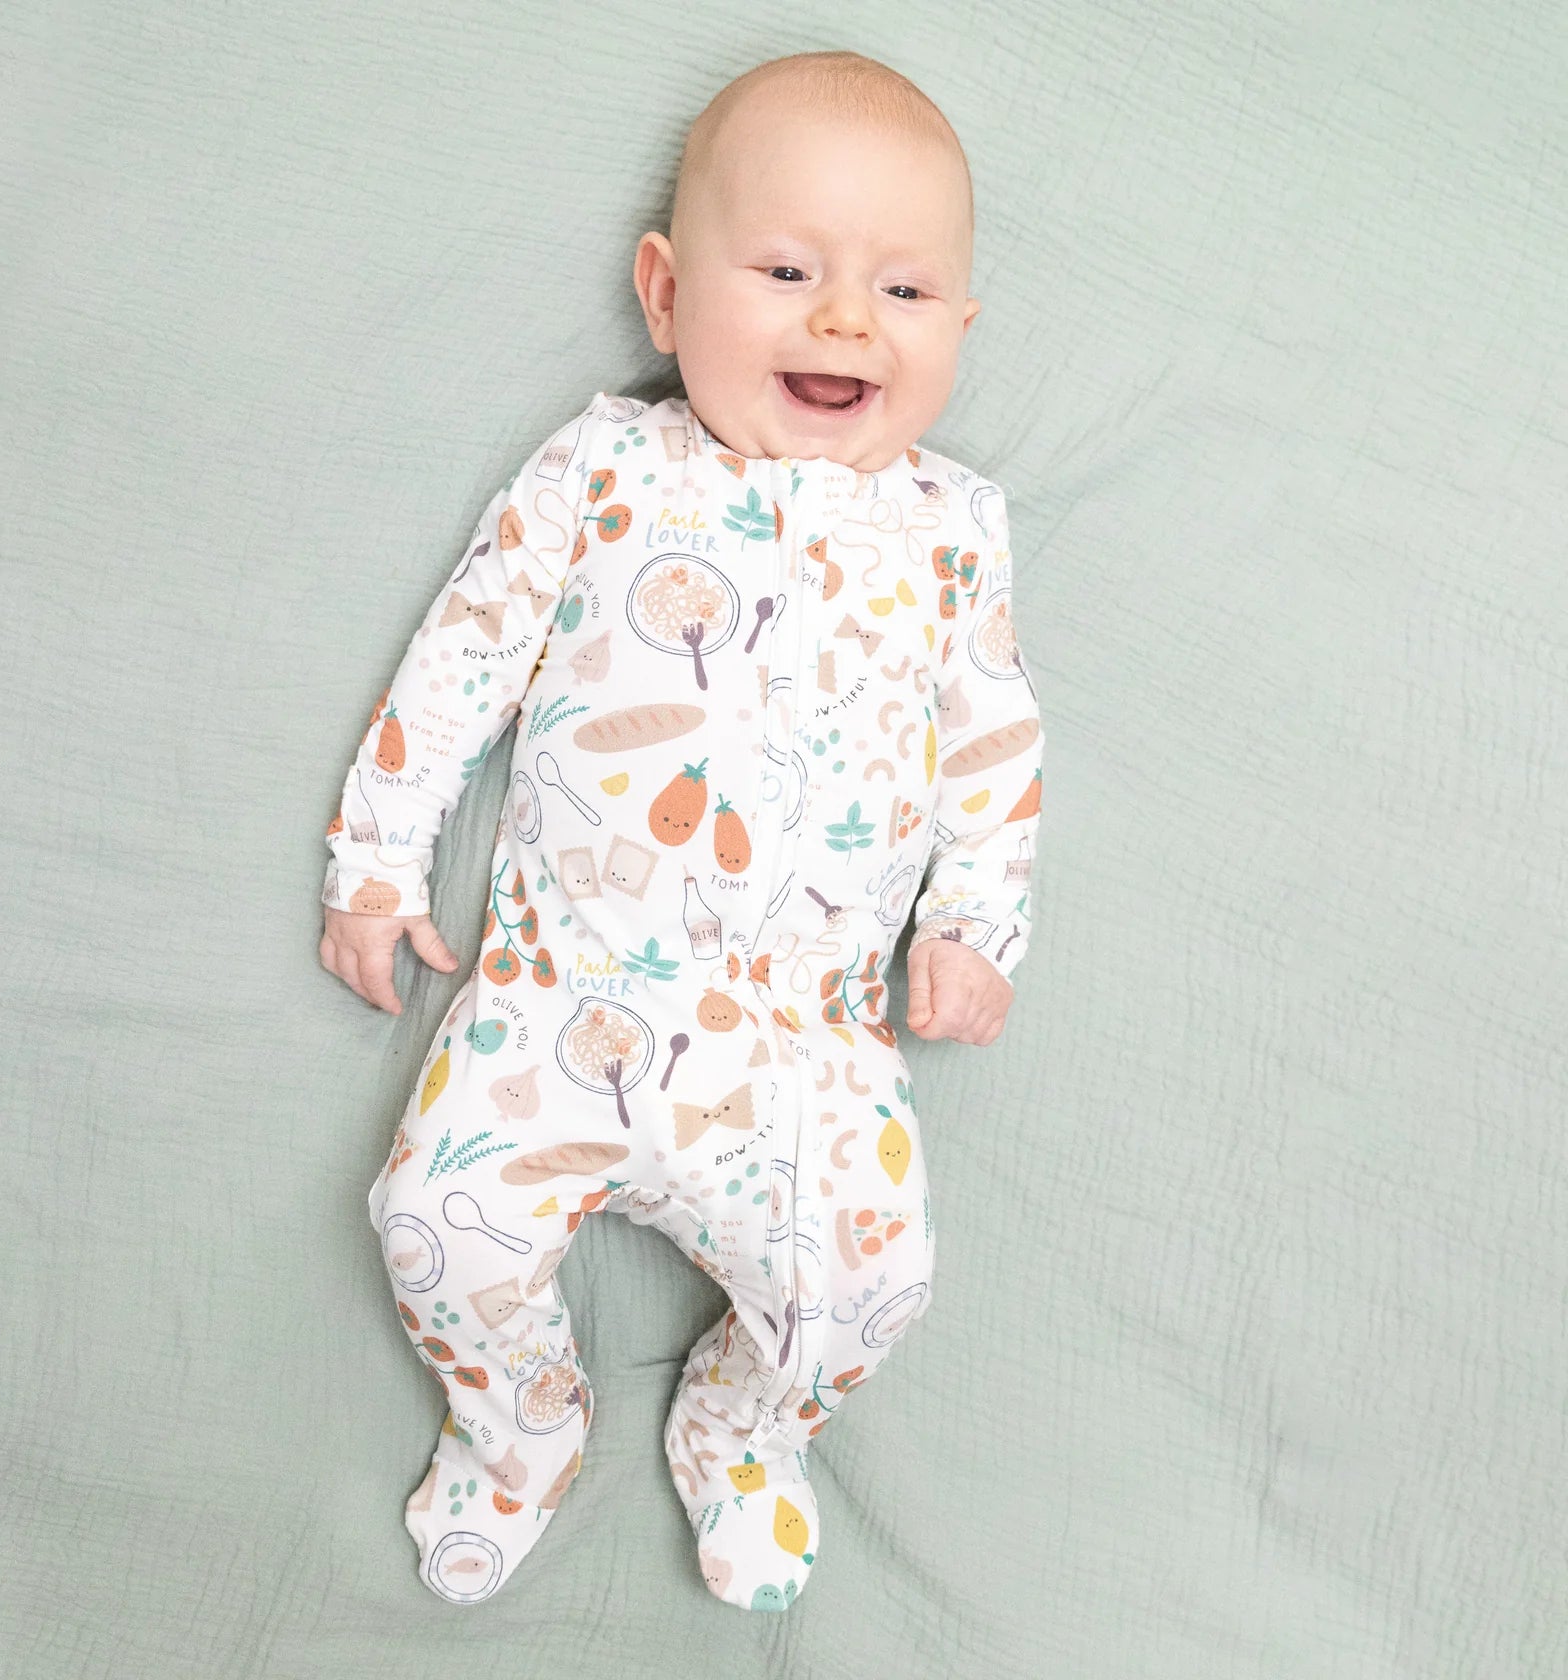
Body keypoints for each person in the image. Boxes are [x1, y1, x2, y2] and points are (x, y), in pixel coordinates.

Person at [319, 49, 1045, 1612]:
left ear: (960, 330)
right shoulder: (607, 468)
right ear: (664, 292)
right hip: (563, 989)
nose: (845, 321)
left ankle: (744, 1426)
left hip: (806, 1045)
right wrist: (377, 862)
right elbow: (462, 658)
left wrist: (976, 924)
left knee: (871, 1286)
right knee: (431, 1226)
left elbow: (993, 742)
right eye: (786, 271)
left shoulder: (950, 531)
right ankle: (519, 1426)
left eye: (905, 290)